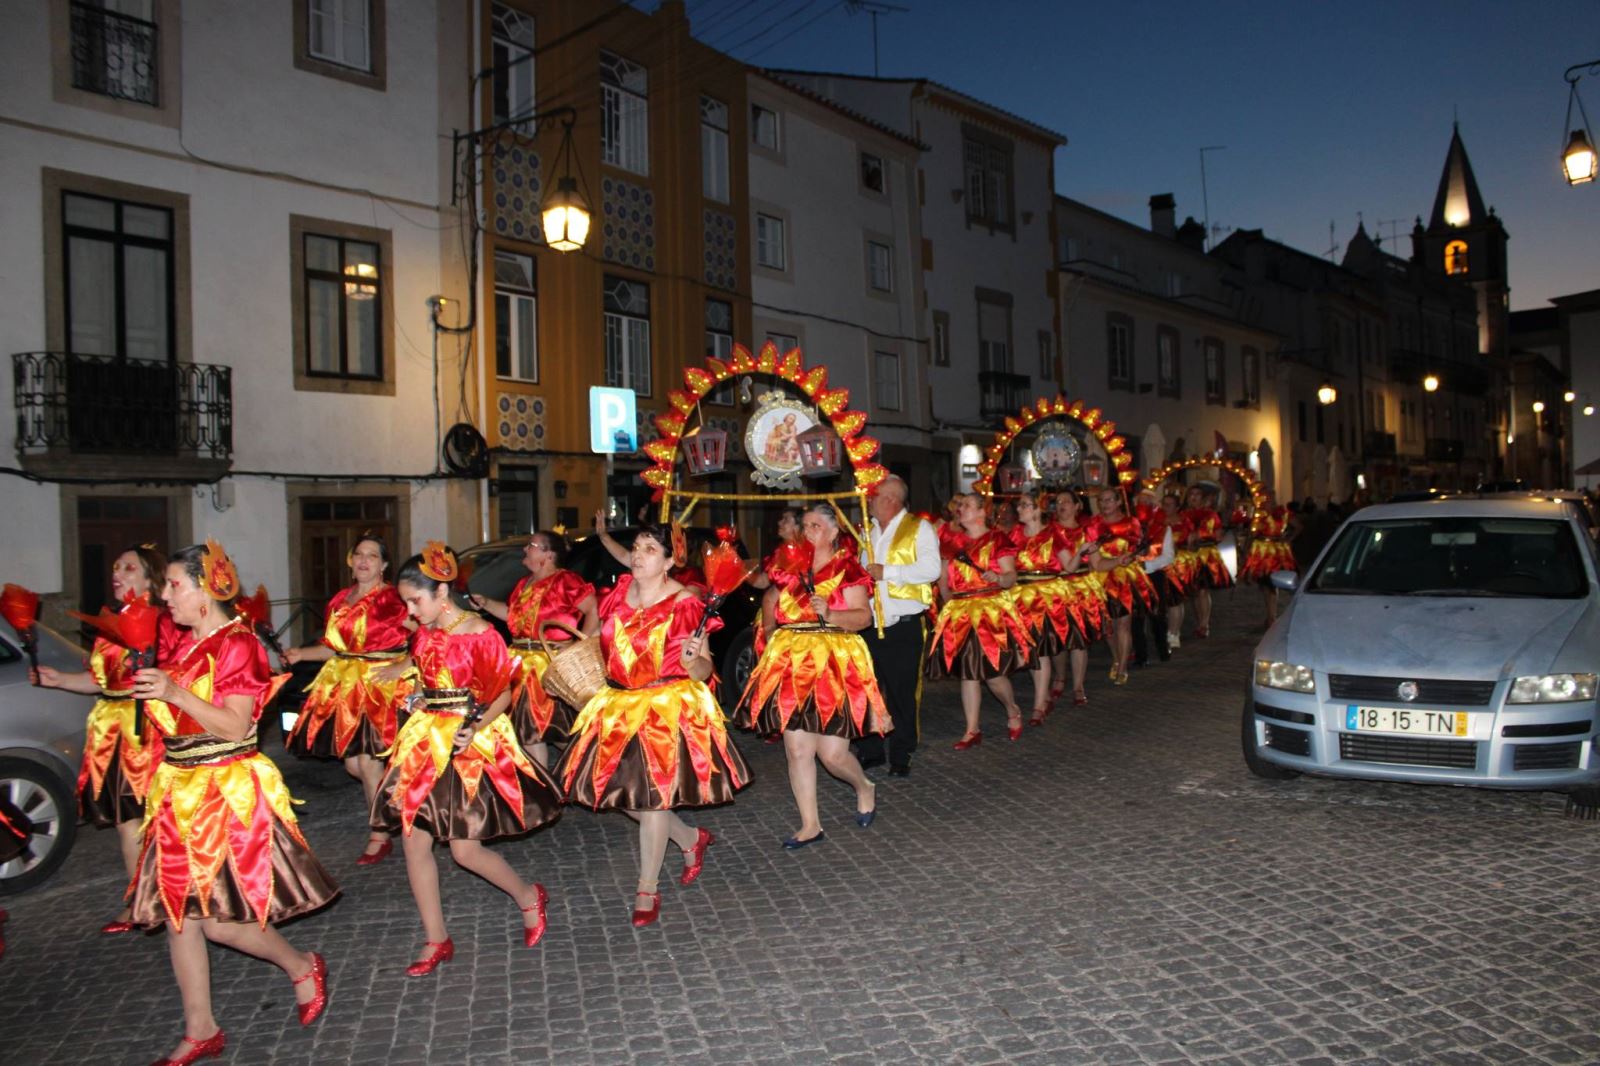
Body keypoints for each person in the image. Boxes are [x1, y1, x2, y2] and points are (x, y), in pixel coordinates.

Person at [128, 541, 337, 1066]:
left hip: (224, 791)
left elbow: (238, 724)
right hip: (180, 789)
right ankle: (201, 1028)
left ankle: (301, 964)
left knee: (219, 921)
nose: (166, 594)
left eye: (175, 584)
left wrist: (174, 694)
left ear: (205, 591)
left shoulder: (237, 644)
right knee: (180, 915)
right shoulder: (180, 646)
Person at [370, 543, 563, 977]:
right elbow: (429, 680)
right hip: (427, 740)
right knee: (414, 839)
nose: (410, 610)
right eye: (405, 602)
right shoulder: (424, 635)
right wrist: (420, 696)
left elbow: (503, 693)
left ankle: (528, 895)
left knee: (463, 850)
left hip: (468, 743)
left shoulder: (481, 633)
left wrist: (474, 726)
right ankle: (436, 937)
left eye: (414, 600)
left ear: (442, 592)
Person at [555, 523, 751, 927]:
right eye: (637, 547)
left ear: (669, 561)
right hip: (618, 705)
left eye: (649, 548)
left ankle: (647, 886)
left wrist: (695, 657)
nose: (639, 554)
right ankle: (690, 839)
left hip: (665, 708)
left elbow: (702, 670)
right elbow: (593, 644)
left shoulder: (685, 604)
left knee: (653, 799)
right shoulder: (613, 597)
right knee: (620, 794)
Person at [33, 544, 181, 933]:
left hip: (149, 730)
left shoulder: (167, 622)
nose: (117, 572)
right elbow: (101, 681)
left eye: (128, 567)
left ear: (151, 579)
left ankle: (170, 895)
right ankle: (140, 901)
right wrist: (60, 680)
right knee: (124, 820)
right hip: (111, 730)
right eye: (116, 566)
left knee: (158, 819)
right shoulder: (110, 624)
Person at [735, 504, 885, 847]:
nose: (808, 532)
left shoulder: (847, 569)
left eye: (816, 526)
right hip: (791, 663)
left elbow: (863, 618)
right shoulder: (788, 566)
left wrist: (830, 613)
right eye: (805, 526)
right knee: (798, 750)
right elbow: (768, 592)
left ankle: (864, 786)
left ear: (834, 533)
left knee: (832, 756)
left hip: (834, 664)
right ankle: (810, 824)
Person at [282, 534, 411, 865]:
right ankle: (398, 800)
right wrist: (300, 654)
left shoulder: (394, 600)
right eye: (359, 555)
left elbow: (424, 634)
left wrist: (402, 665)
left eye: (372, 555)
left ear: (383, 565)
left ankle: (380, 833)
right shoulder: (341, 599)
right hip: (347, 687)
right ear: (351, 562)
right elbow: (333, 647)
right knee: (354, 764)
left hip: (380, 687)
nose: (364, 560)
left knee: (367, 763)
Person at [471, 531, 599, 768]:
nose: (525, 549)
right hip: (520, 663)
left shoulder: (566, 581)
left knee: (554, 728)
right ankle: (549, 785)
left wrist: (581, 644)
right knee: (530, 729)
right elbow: (513, 616)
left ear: (548, 555)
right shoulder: (523, 584)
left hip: (546, 664)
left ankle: (568, 775)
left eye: (531, 545)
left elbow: (593, 609)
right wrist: (486, 603)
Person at [928, 493, 1032, 747]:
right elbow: (943, 578)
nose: (959, 509)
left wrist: (998, 579)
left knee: (993, 674)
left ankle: (1012, 708)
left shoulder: (997, 539)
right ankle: (972, 729)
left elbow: (1010, 577)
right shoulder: (951, 541)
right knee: (968, 672)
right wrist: (947, 602)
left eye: (966, 505)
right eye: (959, 505)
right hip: (960, 611)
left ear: (982, 511)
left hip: (989, 610)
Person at [856, 475, 941, 776]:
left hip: (903, 625)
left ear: (890, 499)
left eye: (874, 496)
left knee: (903, 692)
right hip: (868, 624)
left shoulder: (920, 528)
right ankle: (871, 748)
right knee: (868, 689)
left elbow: (932, 569)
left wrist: (888, 572)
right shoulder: (867, 530)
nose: (868, 501)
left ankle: (902, 752)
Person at [1009, 493, 1082, 725]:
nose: (1019, 509)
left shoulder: (1053, 534)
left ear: (1038, 510)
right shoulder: (1013, 535)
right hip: (1020, 597)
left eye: (1025, 505)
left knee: (1040, 649)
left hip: (1046, 598)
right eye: (1018, 505)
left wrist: (1081, 552)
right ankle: (1043, 696)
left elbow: (1069, 566)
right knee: (1030, 649)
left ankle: (1039, 705)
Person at [1088, 488, 1156, 685]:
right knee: (1108, 626)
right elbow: (1092, 553)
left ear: (1118, 502)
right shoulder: (1094, 524)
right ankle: (1117, 658)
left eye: (1109, 500)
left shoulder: (1131, 523)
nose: (1105, 503)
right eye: (1101, 500)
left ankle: (1123, 666)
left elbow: (1140, 547)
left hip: (1124, 577)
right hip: (1101, 577)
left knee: (1124, 624)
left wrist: (1131, 557)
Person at [1048, 490, 1106, 707]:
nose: (1061, 505)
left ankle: (1078, 685)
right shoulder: (1049, 531)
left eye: (1066, 501)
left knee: (1079, 640)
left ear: (1077, 505)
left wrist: (1120, 560)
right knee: (1059, 640)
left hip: (1083, 589)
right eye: (1058, 501)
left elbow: (1098, 564)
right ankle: (1060, 676)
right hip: (1057, 588)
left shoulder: (1087, 531)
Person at [1239, 489, 1301, 627]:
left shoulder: (1283, 513)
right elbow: (1252, 533)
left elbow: (1298, 527)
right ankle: (1271, 615)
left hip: (1276, 553)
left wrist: (1288, 539)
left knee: (1271, 583)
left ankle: (1272, 616)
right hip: (1261, 552)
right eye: (1265, 498)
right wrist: (1246, 550)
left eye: (1269, 498)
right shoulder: (1259, 514)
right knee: (1265, 585)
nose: (1267, 500)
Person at [1130, 489, 1176, 668]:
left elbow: (1168, 556)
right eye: (1140, 503)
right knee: (1136, 618)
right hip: (1133, 576)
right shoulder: (1130, 527)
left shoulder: (1164, 528)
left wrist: (1147, 566)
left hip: (1154, 575)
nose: (1143, 506)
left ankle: (1162, 649)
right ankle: (1141, 655)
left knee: (1157, 615)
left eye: (1147, 503)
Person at [1180, 485, 1232, 638]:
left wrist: (1199, 535)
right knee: (1195, 591)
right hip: (1188, 555)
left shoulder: (1210, 514)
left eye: (1197, 494)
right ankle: (1200, 622)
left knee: (1203, 589)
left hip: (1205, 554)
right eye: (1191, 494)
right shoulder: (1183, 514)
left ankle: (1204, 623)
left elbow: (1216, 533)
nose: (1194, 497)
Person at [1158, 491, 1192, 651]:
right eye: (1163, 503)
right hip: (1160, 564)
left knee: (1175, 600)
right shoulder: (1157, 521)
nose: (1165, 507)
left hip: (1178, 564)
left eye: (1169, 504)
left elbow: (1191, 541)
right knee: (1164, 600)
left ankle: (1173, 633)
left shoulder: (1184, 522)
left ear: (1177, 507)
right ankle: (1168, 631)